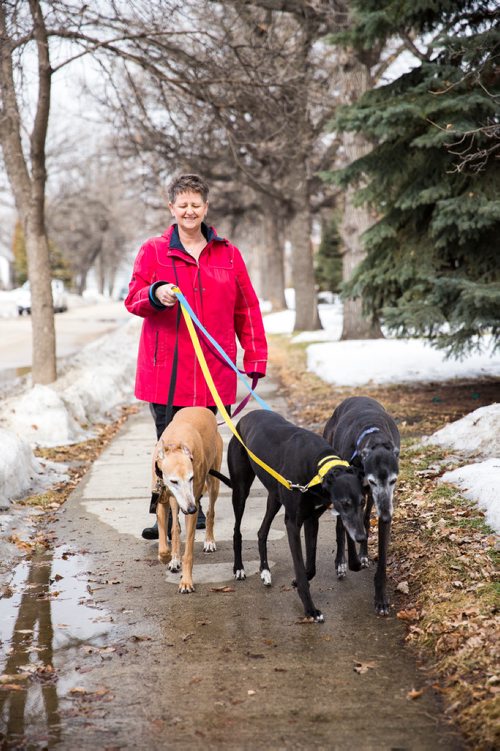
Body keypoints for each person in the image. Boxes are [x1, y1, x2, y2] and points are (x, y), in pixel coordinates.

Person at [125, 173, 268, 539]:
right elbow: (134, 299)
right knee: (168, 447)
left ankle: (196, 508)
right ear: (172, 208)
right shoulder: (154, 251)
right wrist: (156, 294)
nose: (189, 211)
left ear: (205, 208)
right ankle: (163, 513)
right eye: (182, 204)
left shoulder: (228, 254)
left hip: (211, 374)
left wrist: (254, 358)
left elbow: (247, 309)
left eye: (196, 204)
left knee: (201, 449)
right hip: (166, 374)